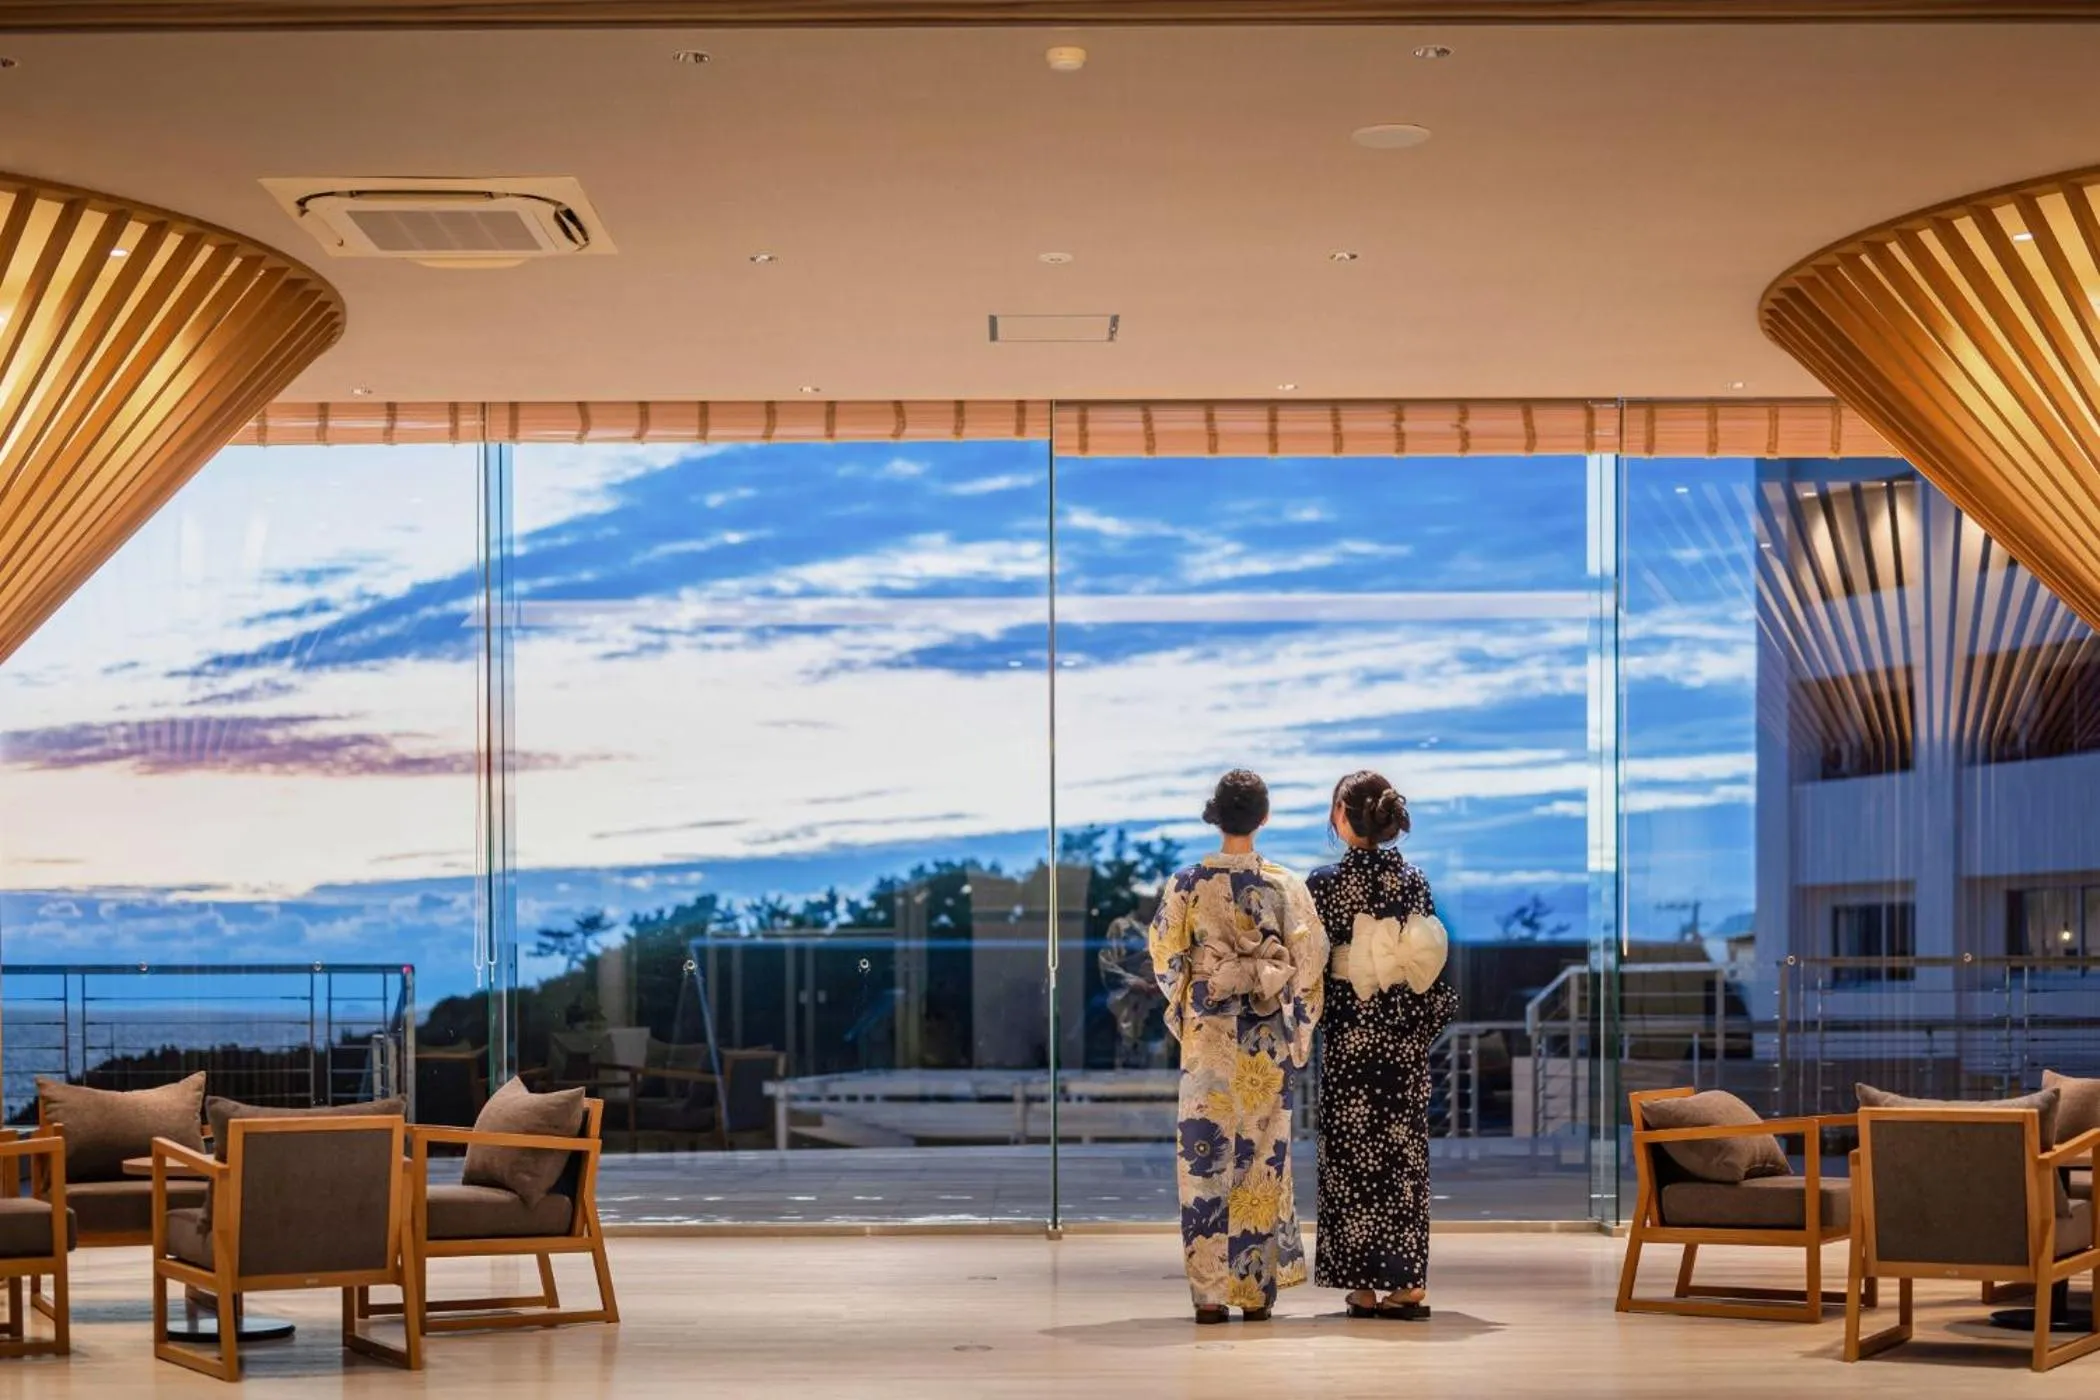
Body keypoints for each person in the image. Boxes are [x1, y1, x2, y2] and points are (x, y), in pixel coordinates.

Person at [1148, 769, 1328, 1324]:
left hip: (1209, 1033)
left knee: (1203, 1157)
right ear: (1264, 818)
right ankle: (1254, 1292)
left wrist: (1190, 1004)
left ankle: (1208, 1295)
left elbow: (1165, 957)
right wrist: (1299, 1021)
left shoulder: (1186, 883)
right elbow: (1310, 962)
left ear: (1215, 814)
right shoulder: (1285, 885)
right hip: (1265, 1036)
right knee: (1260, 1153)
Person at [1309, 769, 1458, 1320]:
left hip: (1352, 1032)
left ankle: (1362, 1286)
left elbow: (1312, 962)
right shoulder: (1413, 880)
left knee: (1350, 1153)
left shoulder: (1324, 883)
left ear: (1343, 816)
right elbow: (1428, 956)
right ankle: (1408, 1283)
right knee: (1402, 1154)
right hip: (1401, 1033)